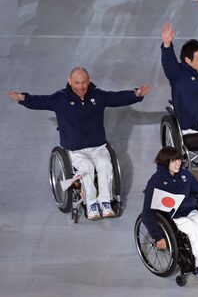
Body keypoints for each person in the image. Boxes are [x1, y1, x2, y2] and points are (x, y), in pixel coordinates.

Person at [6, 67, 151, 220]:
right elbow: (40, 101)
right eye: (77, 83)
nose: (81, 87)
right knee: (86, 168)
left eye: (84, 83)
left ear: (89, 81)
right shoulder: (60, 99)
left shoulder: (97, 95)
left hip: (98, 146)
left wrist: (136, 94)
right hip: (75, 149)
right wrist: (23, 98)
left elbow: (116, 98)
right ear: (69, 81)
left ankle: (105, 202)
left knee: (105, 165)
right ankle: (91, 204)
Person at [142, 146, 198, 278]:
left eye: (179, 160)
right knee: (192, 227)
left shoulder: (185, 176)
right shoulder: (155, 182)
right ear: (166, 162)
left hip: (188, 210)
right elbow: (146, 213)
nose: (178, 163)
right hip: (172, 217)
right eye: (174, 161)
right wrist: (158, 236)